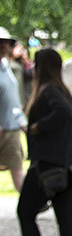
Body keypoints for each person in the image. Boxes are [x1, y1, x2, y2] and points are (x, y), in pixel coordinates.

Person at [15, 49, 72, 236]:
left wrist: (37, 128)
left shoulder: (49, 92)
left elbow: (61, 114)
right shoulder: (64, 93)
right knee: (65, 219)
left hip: (49, 163)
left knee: (25, 212)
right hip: (70, 164)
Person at [0, 33, 24, 192]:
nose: (8, 47)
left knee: (16, 165)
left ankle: (29, 202)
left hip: (12, 125)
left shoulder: (6, 66)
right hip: (3, 127)